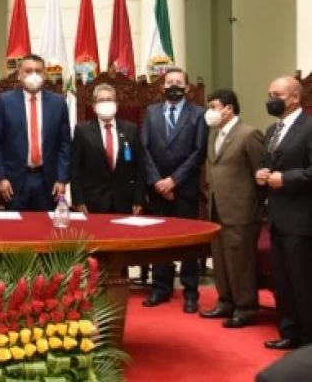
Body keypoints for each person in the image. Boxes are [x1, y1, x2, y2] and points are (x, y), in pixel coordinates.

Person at [140, 67, 207, 313]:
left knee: (188, 241)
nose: (174, 86)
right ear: (162, 87)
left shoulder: (199, 114)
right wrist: (158, 181)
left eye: (179, 82)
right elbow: (144, 148)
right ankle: (160, 288)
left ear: (187, 87)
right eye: (169, 82)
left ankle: (190, 292)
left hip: (184, 187)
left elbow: (199, 152)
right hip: (157, 188)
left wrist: (173, 181)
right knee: (159, 240)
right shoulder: (151, 112)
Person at [198, 89, 264, 328]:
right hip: (217, 208)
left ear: (229, 108)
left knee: (240, 261)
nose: (209, 112)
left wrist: (255, 208)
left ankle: (246, 308)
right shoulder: (214, 135)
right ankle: (225, 301)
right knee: (221, 259)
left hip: (241, 210)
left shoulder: (249, 134)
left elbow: (260, 174)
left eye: (213, 107)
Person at [256, 76, 312, 349]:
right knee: (284, 281)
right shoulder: (271, 130)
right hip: (277, 219)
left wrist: (286, 179)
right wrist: (261, 173)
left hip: (302, 219)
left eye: (276, 95)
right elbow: (268, 164)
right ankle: (289, 332)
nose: (271, 100)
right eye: (269, 95)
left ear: (295, 98)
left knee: (303, 282)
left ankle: (308, 343)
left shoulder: (309, 127)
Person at [0, 54, 71, 211]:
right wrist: (1, 178)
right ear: (19, 74)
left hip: (48, 182)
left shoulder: (58, 103)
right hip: (13, 182)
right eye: (28, 71)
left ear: (45, 75)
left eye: (38, 71)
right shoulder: (5, 101)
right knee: (15, 225)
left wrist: (62, 179)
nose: (34, 75)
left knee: (45, 225)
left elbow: (65, 144)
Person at [70, 83, 145, 215]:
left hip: (125, 202)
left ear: (116, 104)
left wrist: (139, 200)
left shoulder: (131, 129)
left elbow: (140, 168)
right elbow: (75, 169)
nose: (106, 103)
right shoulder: (82, 130)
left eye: (109, 99)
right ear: (94, 106)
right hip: (92, 202)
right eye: (101, 100)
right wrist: (78, 201)